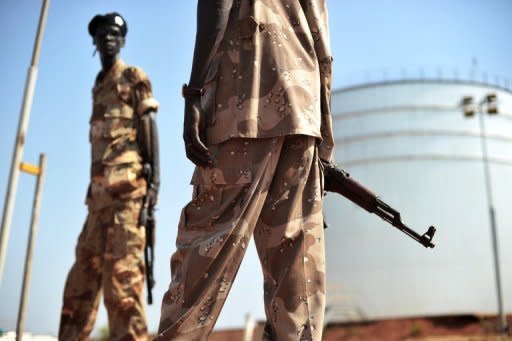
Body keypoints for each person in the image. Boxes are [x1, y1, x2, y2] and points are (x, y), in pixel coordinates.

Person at [156, 1, 334, 340]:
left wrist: (194, 93)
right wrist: (324, 134)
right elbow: (323, 41)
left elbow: (218, 6)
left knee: (205, 256)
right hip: (303, 106)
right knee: (297, 272)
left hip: (243, 99)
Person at [58, 12, 160, 341]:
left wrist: (154, 188)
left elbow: (149, 129)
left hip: (127, 202)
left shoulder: (133, 77)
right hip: (97, 205)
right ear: (95, 40)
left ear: (123, 39)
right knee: (79, 288)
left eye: (115, 32)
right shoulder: (99, 86)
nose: (108, 38)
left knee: (123, 290)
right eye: (102, 33)